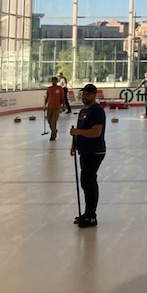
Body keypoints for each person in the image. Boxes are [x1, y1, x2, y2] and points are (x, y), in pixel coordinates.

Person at [69, 84, 106, 228]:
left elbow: (96, 132)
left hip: (95, 151)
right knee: (85, 182)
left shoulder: (96, 111)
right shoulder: (83, 111)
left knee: (89, 182)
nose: (85, 97)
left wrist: (78, 133)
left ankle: (92, 216)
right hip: (84, 151)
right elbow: (81, 130)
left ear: (94, 95)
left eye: (88, 94)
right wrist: (75, 143)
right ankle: (87, 213)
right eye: (83, 94)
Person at [44, 76, 66, 141]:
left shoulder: (60, 88)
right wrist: (45, 105)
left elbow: (62, 97)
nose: (54, 82)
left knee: (54, 121)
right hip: (49, 107)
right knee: (49, 121)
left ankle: (53, 135)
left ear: (57, 81)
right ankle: (54, 130)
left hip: (57, 107)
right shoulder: (49, 88)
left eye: (55, 81)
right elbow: (47, 97)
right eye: (52, 81)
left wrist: (63, 105)